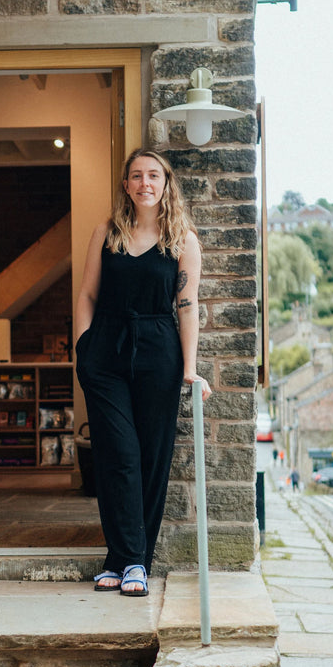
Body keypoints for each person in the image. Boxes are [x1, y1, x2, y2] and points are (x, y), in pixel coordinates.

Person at [73, 147, 210, 598]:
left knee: (152, 458)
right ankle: (124, 556)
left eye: (154, 175)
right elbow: (88, 295)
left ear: (166, 184)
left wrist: (189, 367)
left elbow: (186, 306)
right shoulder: (106, 233)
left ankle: (133, 561)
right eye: (136, 176)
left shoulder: (183, 240)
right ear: (126, 185)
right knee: (118, 454)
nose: (145, 183)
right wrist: (83, 347)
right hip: (106, 349)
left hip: (159, 350)